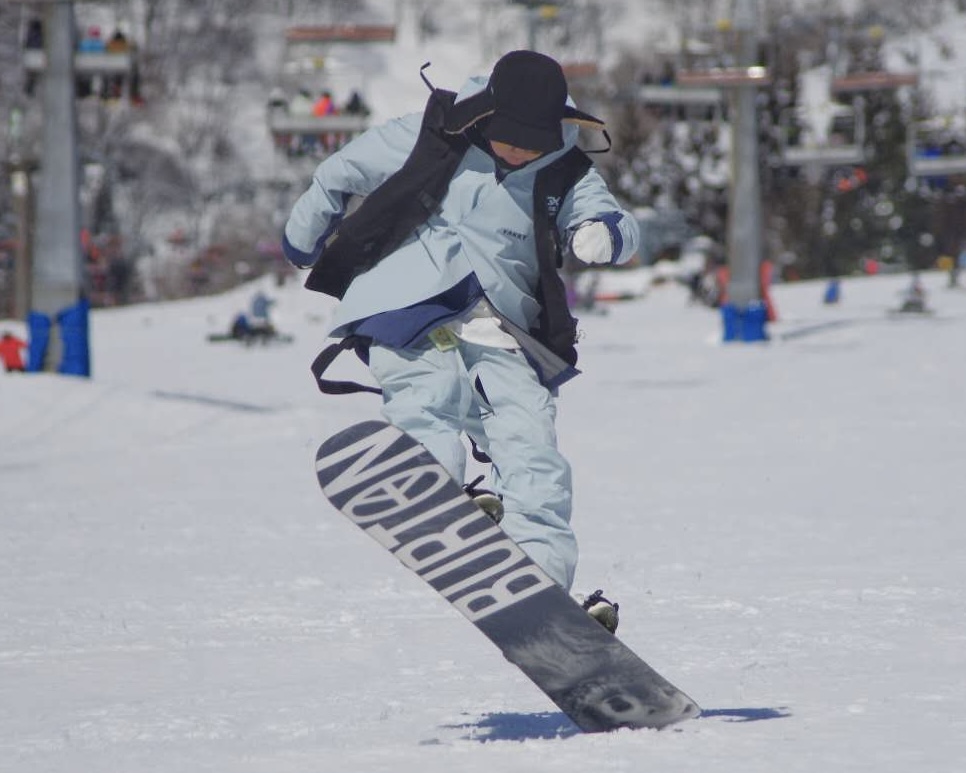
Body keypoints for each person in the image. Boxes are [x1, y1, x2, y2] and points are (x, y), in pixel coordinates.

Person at [283, 50, 638, 632]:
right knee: (429, 389)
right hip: (408, 298)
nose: (516, 152)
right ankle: (431, 477)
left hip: (503, 323)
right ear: (488, 114)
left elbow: (614, 219)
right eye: (507, 138)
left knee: (530, 440)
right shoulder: (435, 133)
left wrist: (603, 233)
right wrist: (303, 235)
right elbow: (342, 171)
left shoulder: (566, 170)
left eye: (531, 144)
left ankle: (540, 574)